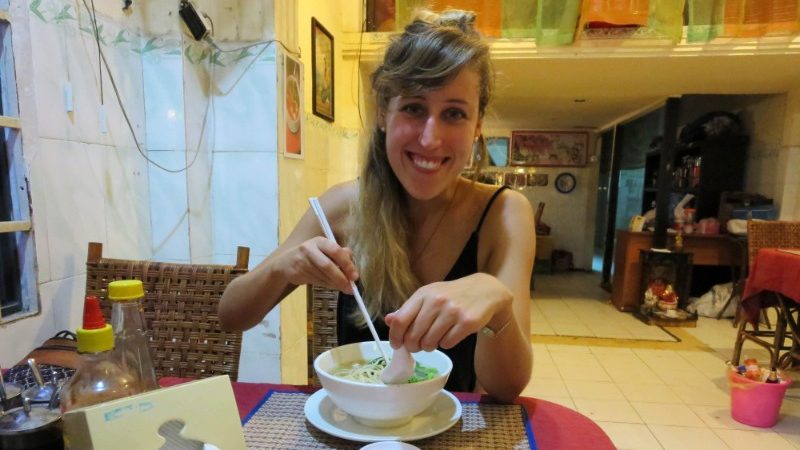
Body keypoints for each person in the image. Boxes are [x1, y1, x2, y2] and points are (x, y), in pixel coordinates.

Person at [219, 9, 534, 402]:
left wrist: (497, 305)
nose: (430, 138)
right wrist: (283, 268)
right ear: (384, 112)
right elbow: (231, 315)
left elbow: (508, 388)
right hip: (354, 427)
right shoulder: (341, 205)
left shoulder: (505, 214)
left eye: (454, 113)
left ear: (477, 126)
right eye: (414, 108)